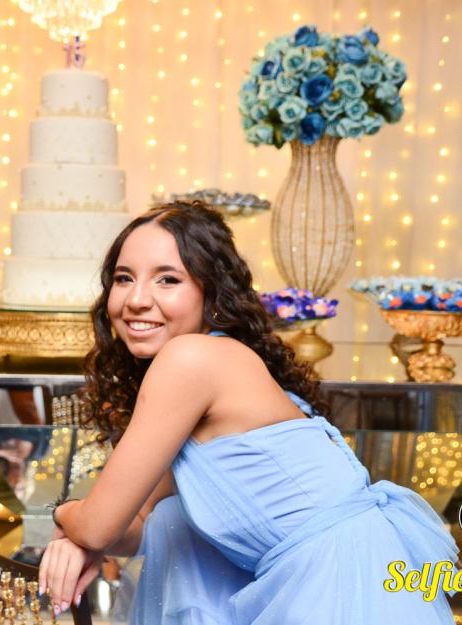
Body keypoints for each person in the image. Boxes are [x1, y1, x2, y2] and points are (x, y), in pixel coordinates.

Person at [38, 201, 459, 624]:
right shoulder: (215, 362)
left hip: (336, 587)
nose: (136, 299)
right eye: (123, 278)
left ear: (212, 294)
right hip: (352, 573)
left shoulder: (190, 359)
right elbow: (139, 521)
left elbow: (98, 525)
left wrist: (64, 515)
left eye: (168, 279)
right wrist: (80, 540)